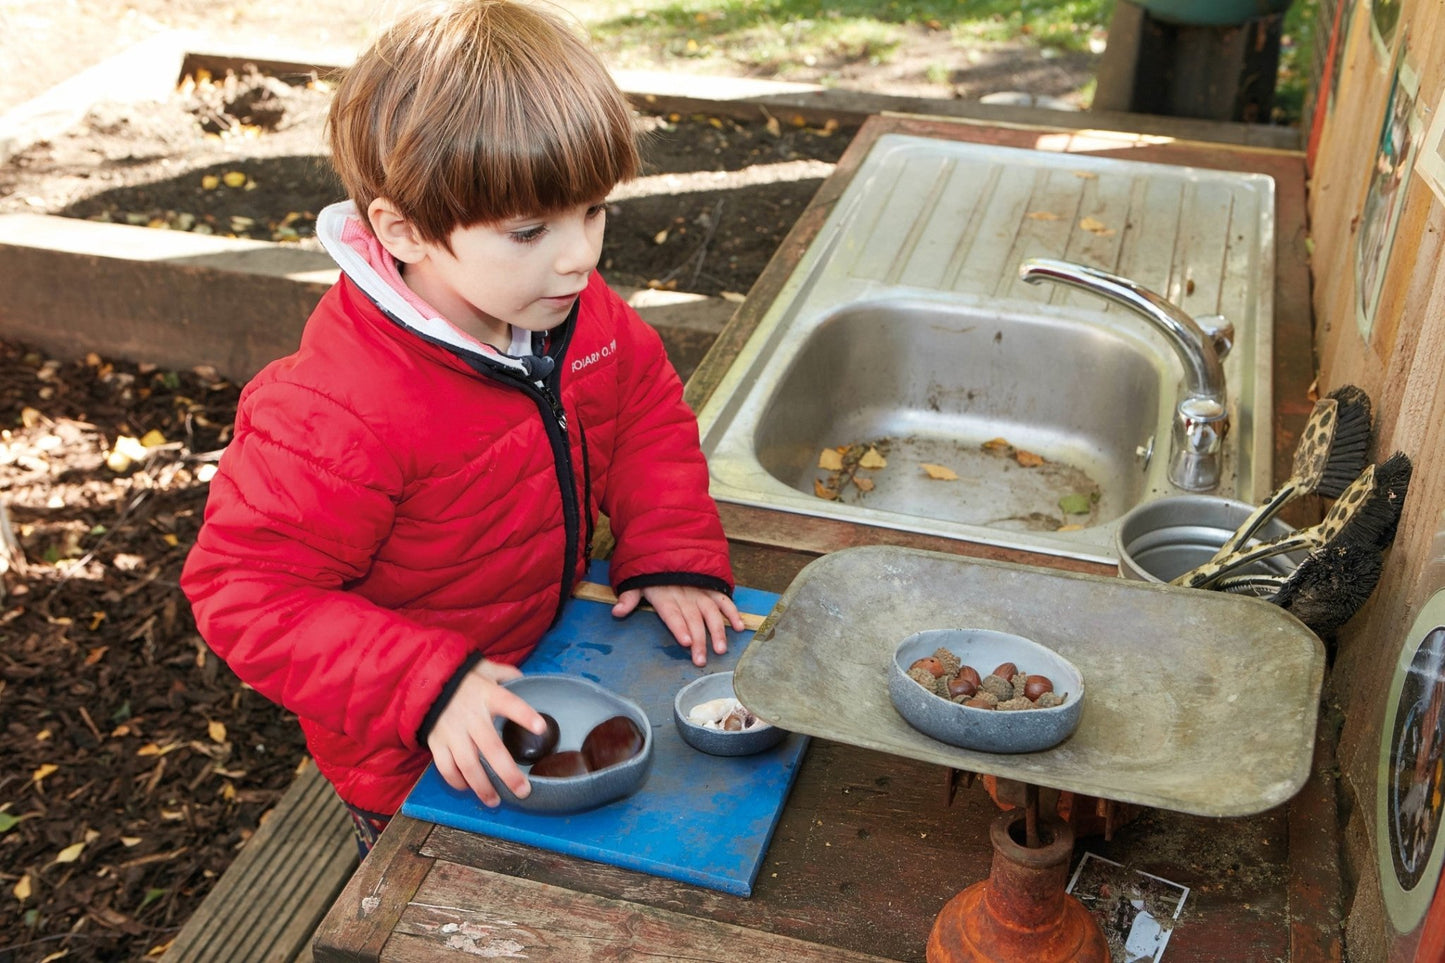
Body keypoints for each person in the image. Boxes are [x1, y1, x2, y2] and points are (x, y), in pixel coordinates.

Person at [180, 0, 742, 852]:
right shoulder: (336, 410)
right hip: (414, 747)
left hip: (555, 657)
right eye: (529, 230)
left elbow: (644, 415)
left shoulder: (574, 314)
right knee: (445, 905)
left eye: (592, 211)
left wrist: (669, 546)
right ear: (401, 230)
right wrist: (426, 686)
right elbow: (245, 593)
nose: (579, 256)